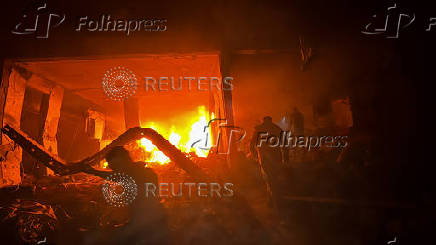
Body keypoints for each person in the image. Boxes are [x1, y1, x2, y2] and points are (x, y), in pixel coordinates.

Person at [103, 146, 170, 245]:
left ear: (121, 161)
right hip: (154, 221)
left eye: (113, 165)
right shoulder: (143, 172)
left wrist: (91, 171)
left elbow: (118, 176)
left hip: (150, 225)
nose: (112, 168)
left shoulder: (139, 173)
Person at [250, 116, 283, 210]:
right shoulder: (276, 128)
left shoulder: (259, 129)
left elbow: (252, 144)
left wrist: (255, 155)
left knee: (269, 178)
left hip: (265, 158)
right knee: (274, 178)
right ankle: (273, 201)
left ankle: (274, 202)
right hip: (276, 157)